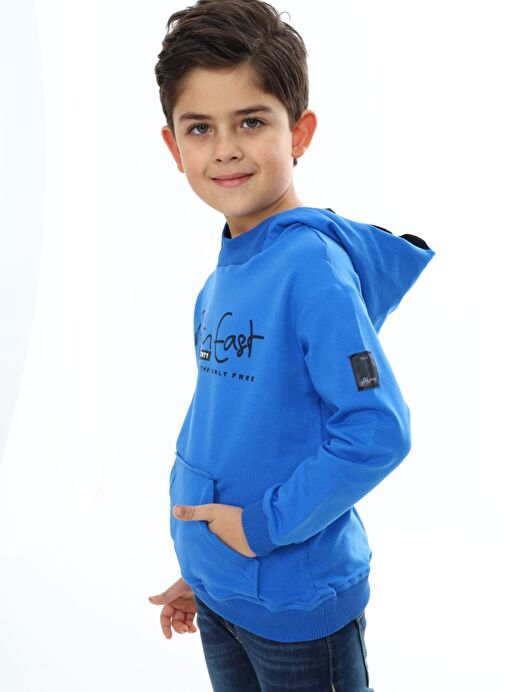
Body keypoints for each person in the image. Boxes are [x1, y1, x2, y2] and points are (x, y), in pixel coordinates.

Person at [148, 1, 435, 689]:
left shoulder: (311, 269)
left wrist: (261, 528)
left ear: (298, 132)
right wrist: (204, 566)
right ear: (174, 147)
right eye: (200, 127)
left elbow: (375, 429)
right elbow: (235, 432)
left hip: (297, 607)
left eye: (250, 121)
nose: (225, 148)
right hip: (222, 591)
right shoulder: (222, 277)